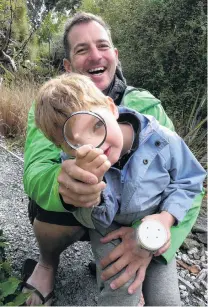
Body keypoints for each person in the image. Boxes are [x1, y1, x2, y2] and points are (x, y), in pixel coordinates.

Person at [23, 12, 205, 306]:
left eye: (102, 45)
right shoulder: (49, 111)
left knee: (164, 299)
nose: (95, 56)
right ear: (67, 67)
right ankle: (47, 263)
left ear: (115, 55)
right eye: (82, 49)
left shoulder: (150, 111)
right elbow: (35, 171)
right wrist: (69, 189)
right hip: (92, 219)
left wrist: (150, 238)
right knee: (118, 293)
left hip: (147, 222)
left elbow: (190, 182)